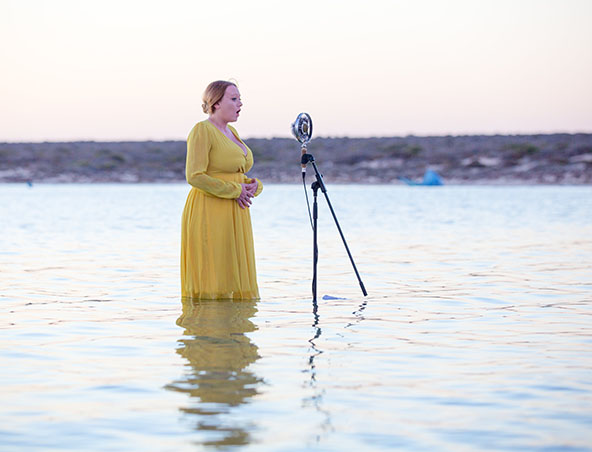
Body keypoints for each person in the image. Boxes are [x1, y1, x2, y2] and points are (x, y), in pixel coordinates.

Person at [181, 80, 262, 300]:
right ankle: (210, 328)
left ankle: (236, 327)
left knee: (234, 273)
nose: (240, 104)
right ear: (215, 103)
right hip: (210, 209)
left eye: (240, 98)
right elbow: (194, 176)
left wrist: (254, 185)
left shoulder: (231, 131)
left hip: (236, 211)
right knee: (215, 271)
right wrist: (235, 190)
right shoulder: (202, 130)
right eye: (234, 99)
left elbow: (235, 172)